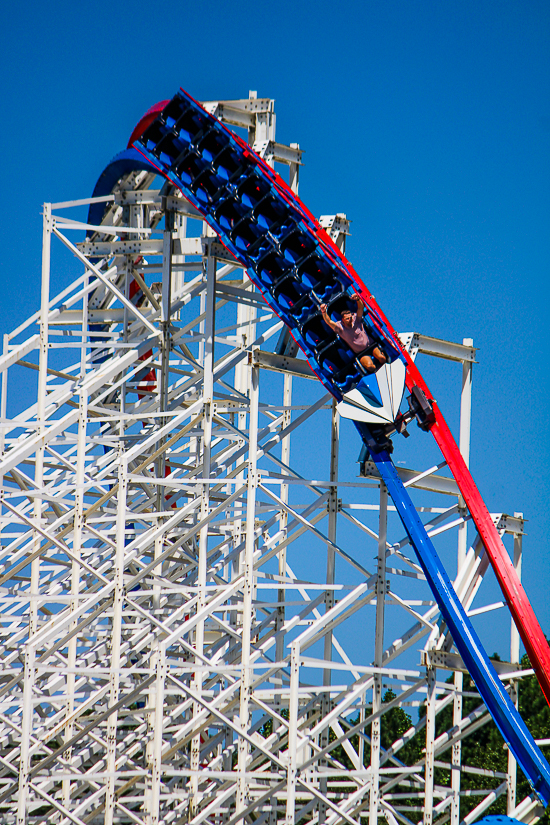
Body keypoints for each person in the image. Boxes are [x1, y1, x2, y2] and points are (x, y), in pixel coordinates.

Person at [320, 294, 387, 374]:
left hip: (371, 346)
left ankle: (385, 367)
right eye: (347, 319)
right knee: (370, 367)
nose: (350, 320)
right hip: (361, 353)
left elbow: (360, 308)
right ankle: (378, 373)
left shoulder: (356, 319)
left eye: (350, 317)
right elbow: (329, 322)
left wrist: (358, 299)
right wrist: (324, 312)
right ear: (343, 320)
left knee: (382, 358)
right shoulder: (340, 327)